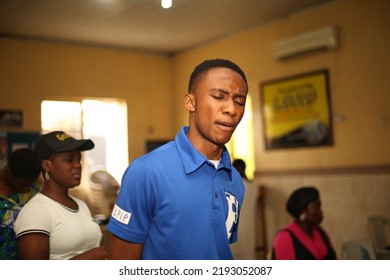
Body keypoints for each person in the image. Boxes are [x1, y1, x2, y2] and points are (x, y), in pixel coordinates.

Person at [108, 58, 249, 260]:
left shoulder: (234, 180)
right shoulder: (146, 172)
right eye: (219, 96)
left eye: (239, 101)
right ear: (190, 102)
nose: (232, 109)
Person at [14, 131, 108, 260]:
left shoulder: (81, 205)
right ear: (47, 165)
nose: (77, 165)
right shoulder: (36, 211)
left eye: (78, 159)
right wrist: (90, 258)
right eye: (70, 160)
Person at [272, 186, 337, 260]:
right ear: (303, 213)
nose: (320, 211)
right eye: (316, 207)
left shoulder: (322, 234)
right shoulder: (284, 238)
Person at [0, 148, 40, 259]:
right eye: (22, 184)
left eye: (30, 183)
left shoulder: (33, 190)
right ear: (8, 172)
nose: (27, 189)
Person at [230, 158, 258, 259]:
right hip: (250, 226)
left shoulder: (231, 187)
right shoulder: (253, 187)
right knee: (248, 254)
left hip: (233, 227)